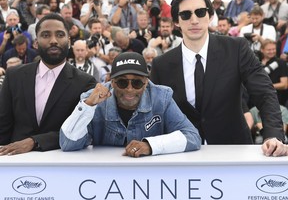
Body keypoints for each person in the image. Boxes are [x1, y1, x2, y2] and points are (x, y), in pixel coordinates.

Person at [150, 0, 287, 156]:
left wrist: (273, 136)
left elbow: (265, 93)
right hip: (182, 155)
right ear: (176, 22)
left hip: (233, 152)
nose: (194, 20)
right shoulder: (161, 64)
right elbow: (153, 112)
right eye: (186, 15)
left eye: (200, 12)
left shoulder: (236, 49)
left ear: (210, 15)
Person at [60, 52, 201, 157]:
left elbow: (192, 137)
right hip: (105, 172)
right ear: (112, 82)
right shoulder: (93, 99)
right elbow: (68, 144)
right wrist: (88, 106)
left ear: (146, 82)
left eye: (137, 82)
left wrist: (150, 146)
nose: (129, 89)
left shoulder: (161, 97)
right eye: (122, 82)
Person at [0, 13, 96, 156]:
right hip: (15, 162)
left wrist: (34, 141)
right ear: (36, 42)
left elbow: (80, 130)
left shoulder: (85, 82)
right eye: (45, 35)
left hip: (60, 162)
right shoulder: (14, 76)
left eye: (60, 35)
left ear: (69, 41)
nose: (53, 40)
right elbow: (3, 124)